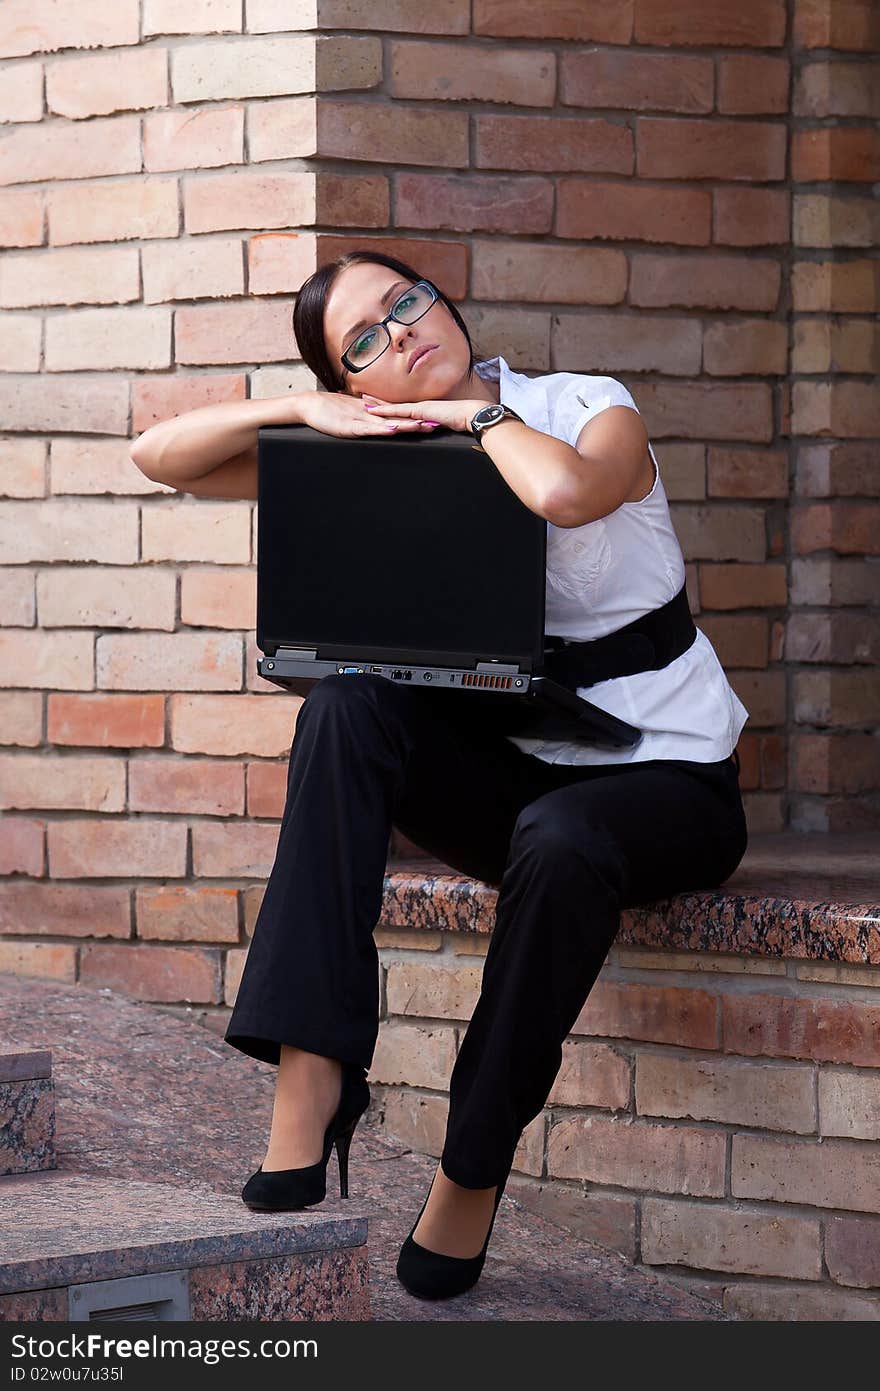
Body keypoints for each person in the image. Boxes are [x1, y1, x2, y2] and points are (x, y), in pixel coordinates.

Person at [130, 248, 750, 1301]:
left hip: (670, 777)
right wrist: (302, 411)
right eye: (362, 342)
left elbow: (563, 492)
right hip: (515, 777)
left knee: (561, 842)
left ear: (443, 299)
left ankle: (471, 1163)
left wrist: (472, 420)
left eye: (404, 302)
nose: (402, 332)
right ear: (352, 383)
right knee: (343, 697)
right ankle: (310, 1067)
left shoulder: (585, 403)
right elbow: (161, 458)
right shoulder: (371, 442)